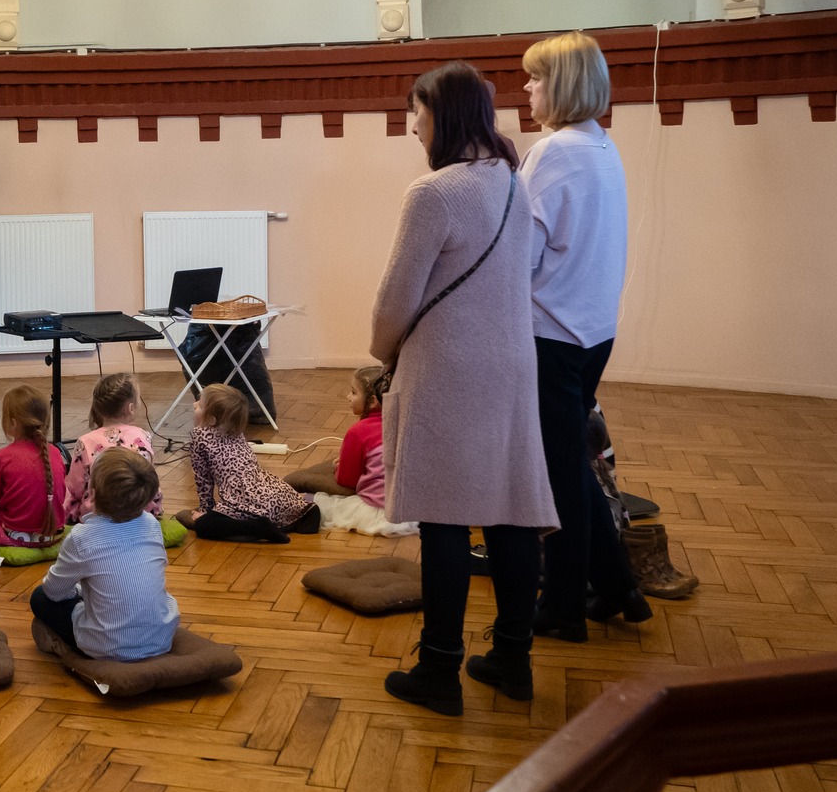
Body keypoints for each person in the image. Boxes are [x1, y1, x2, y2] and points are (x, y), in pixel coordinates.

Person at [370, 61, 557, 717]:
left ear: (441, 115)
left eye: (417, 115)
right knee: (510, 514)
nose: (413, 127)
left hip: (448, 369)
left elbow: (396, 299)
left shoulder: (434, 193)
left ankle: (440, 670)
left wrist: (378, 350)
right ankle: (512, 658)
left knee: (444, 519)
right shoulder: (513, 182)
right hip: (511, 366)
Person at [520, 31, 652, 640]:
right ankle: (619, 588)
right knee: (573, 465)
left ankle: (564, 607)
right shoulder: (602, 145)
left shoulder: (552, 152)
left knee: (560, 475)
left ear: (564, 85)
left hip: (552, 335)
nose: (525, 88)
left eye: (536, 78)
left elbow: (519, 255)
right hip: (593, 332)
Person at [31, 449, 179, 661]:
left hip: (107, 647)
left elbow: (54, 592)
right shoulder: (152, 525)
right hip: (162, 638)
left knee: (39, 597)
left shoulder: (82, 537)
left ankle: (66, 644)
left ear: (92, 493)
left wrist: (77, 591)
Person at [177, 384, 318, 540]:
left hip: (244, 501)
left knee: (204, 526)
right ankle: (307, 512)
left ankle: (258, 527)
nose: (194, 405)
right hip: (270, 491)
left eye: (199, 405)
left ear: (211, 419)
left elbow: (203, 478)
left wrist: (205, 510)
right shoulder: (235, 430)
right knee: (281, 498)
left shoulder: (199, 435)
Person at [0, 385, 67, 551]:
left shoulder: (4, 456)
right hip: (55, 533)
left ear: (13, 423)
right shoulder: (56, 452)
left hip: (14, 536)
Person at [319, 367, 409, 536]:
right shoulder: (404, 425)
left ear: (373, 401)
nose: (348, 397)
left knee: (316, 502)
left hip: (377, 510)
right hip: (409, 509)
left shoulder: (357, 432)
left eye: (353, 393)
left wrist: (338, 466)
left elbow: (347, 480)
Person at [62, 374, 161, 524]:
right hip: (139, 510)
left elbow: (75, 487)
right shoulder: (143, 436)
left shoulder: (85, 441)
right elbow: (150, 480)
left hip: (99, 513)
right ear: (131, 408)